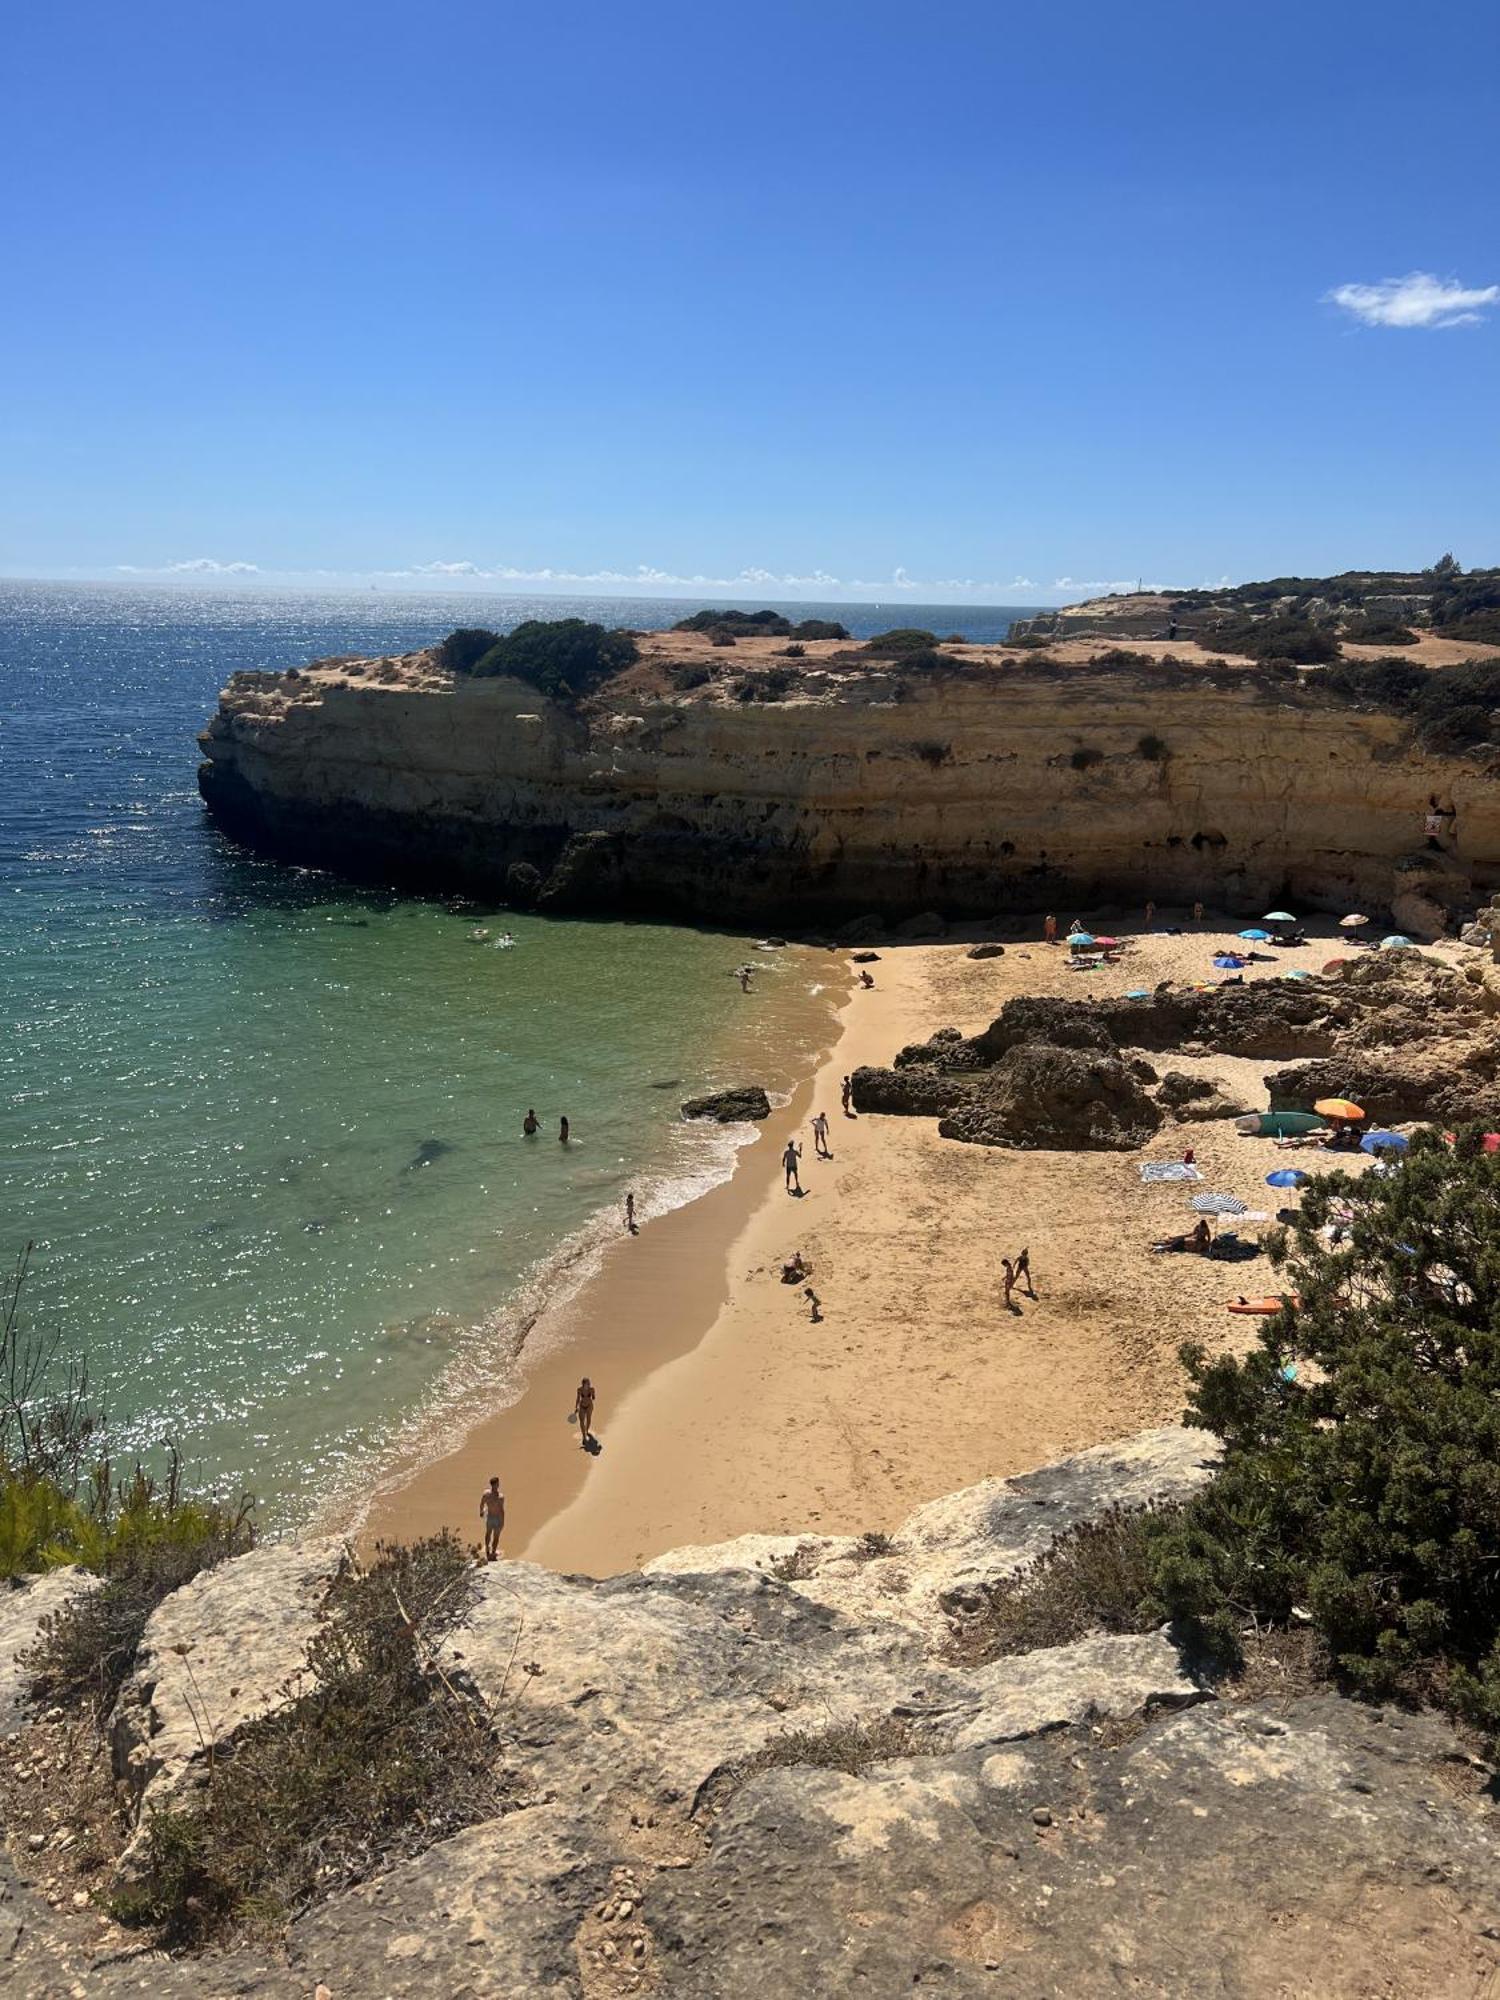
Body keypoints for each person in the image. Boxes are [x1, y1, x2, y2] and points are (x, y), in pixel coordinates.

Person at [480, 1476, 505, 1561]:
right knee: (495, 1536)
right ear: (495, 1484)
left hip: (490, 1517)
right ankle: (491, 1551)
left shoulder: (486, 1494)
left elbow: (482, 1503)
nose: (498, 1485)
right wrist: (502, 1522)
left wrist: (481, 1511)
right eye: (498, 1483)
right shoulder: (500, 1497)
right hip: (496, 1518)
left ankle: (489, 1550)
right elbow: (501, 1510)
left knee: (490, 1534)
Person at [573, 1377, 596, 1448]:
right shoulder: (579, 1390)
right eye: (587, 1383)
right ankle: (584, 1436)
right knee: (582, 1421)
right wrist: (576, 1407)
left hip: (589, 1406)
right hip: (582, 1406)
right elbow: (578, 1398)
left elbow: (594, 1398)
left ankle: (586, 1431)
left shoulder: (592, 1389)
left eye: (589, 1383)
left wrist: (593, 1394)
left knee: (588, 1420)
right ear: (583, 1384)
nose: (588, 1384)